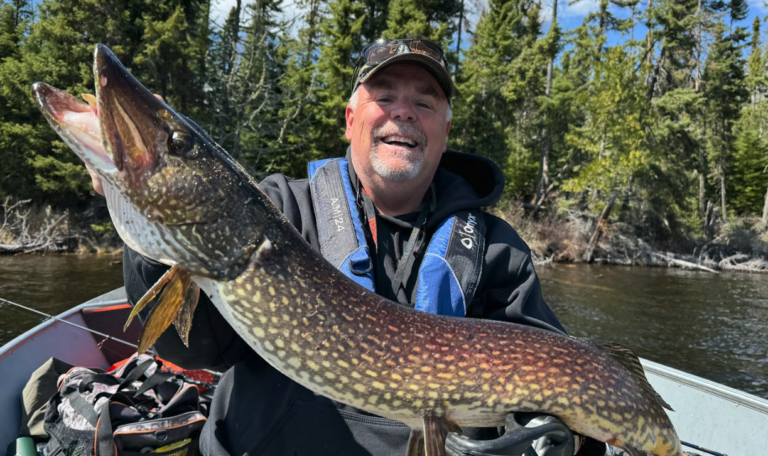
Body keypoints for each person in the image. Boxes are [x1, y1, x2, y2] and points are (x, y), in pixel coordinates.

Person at [96, 38, 602, 456]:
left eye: (424, 103)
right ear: (351, 118)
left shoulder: (497, 252)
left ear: (445, 133)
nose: (403, 113)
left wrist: (561, 437)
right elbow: (190, 347)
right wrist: (152, 238)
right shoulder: (279, 213)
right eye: (385, 96)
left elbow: (562, 379)